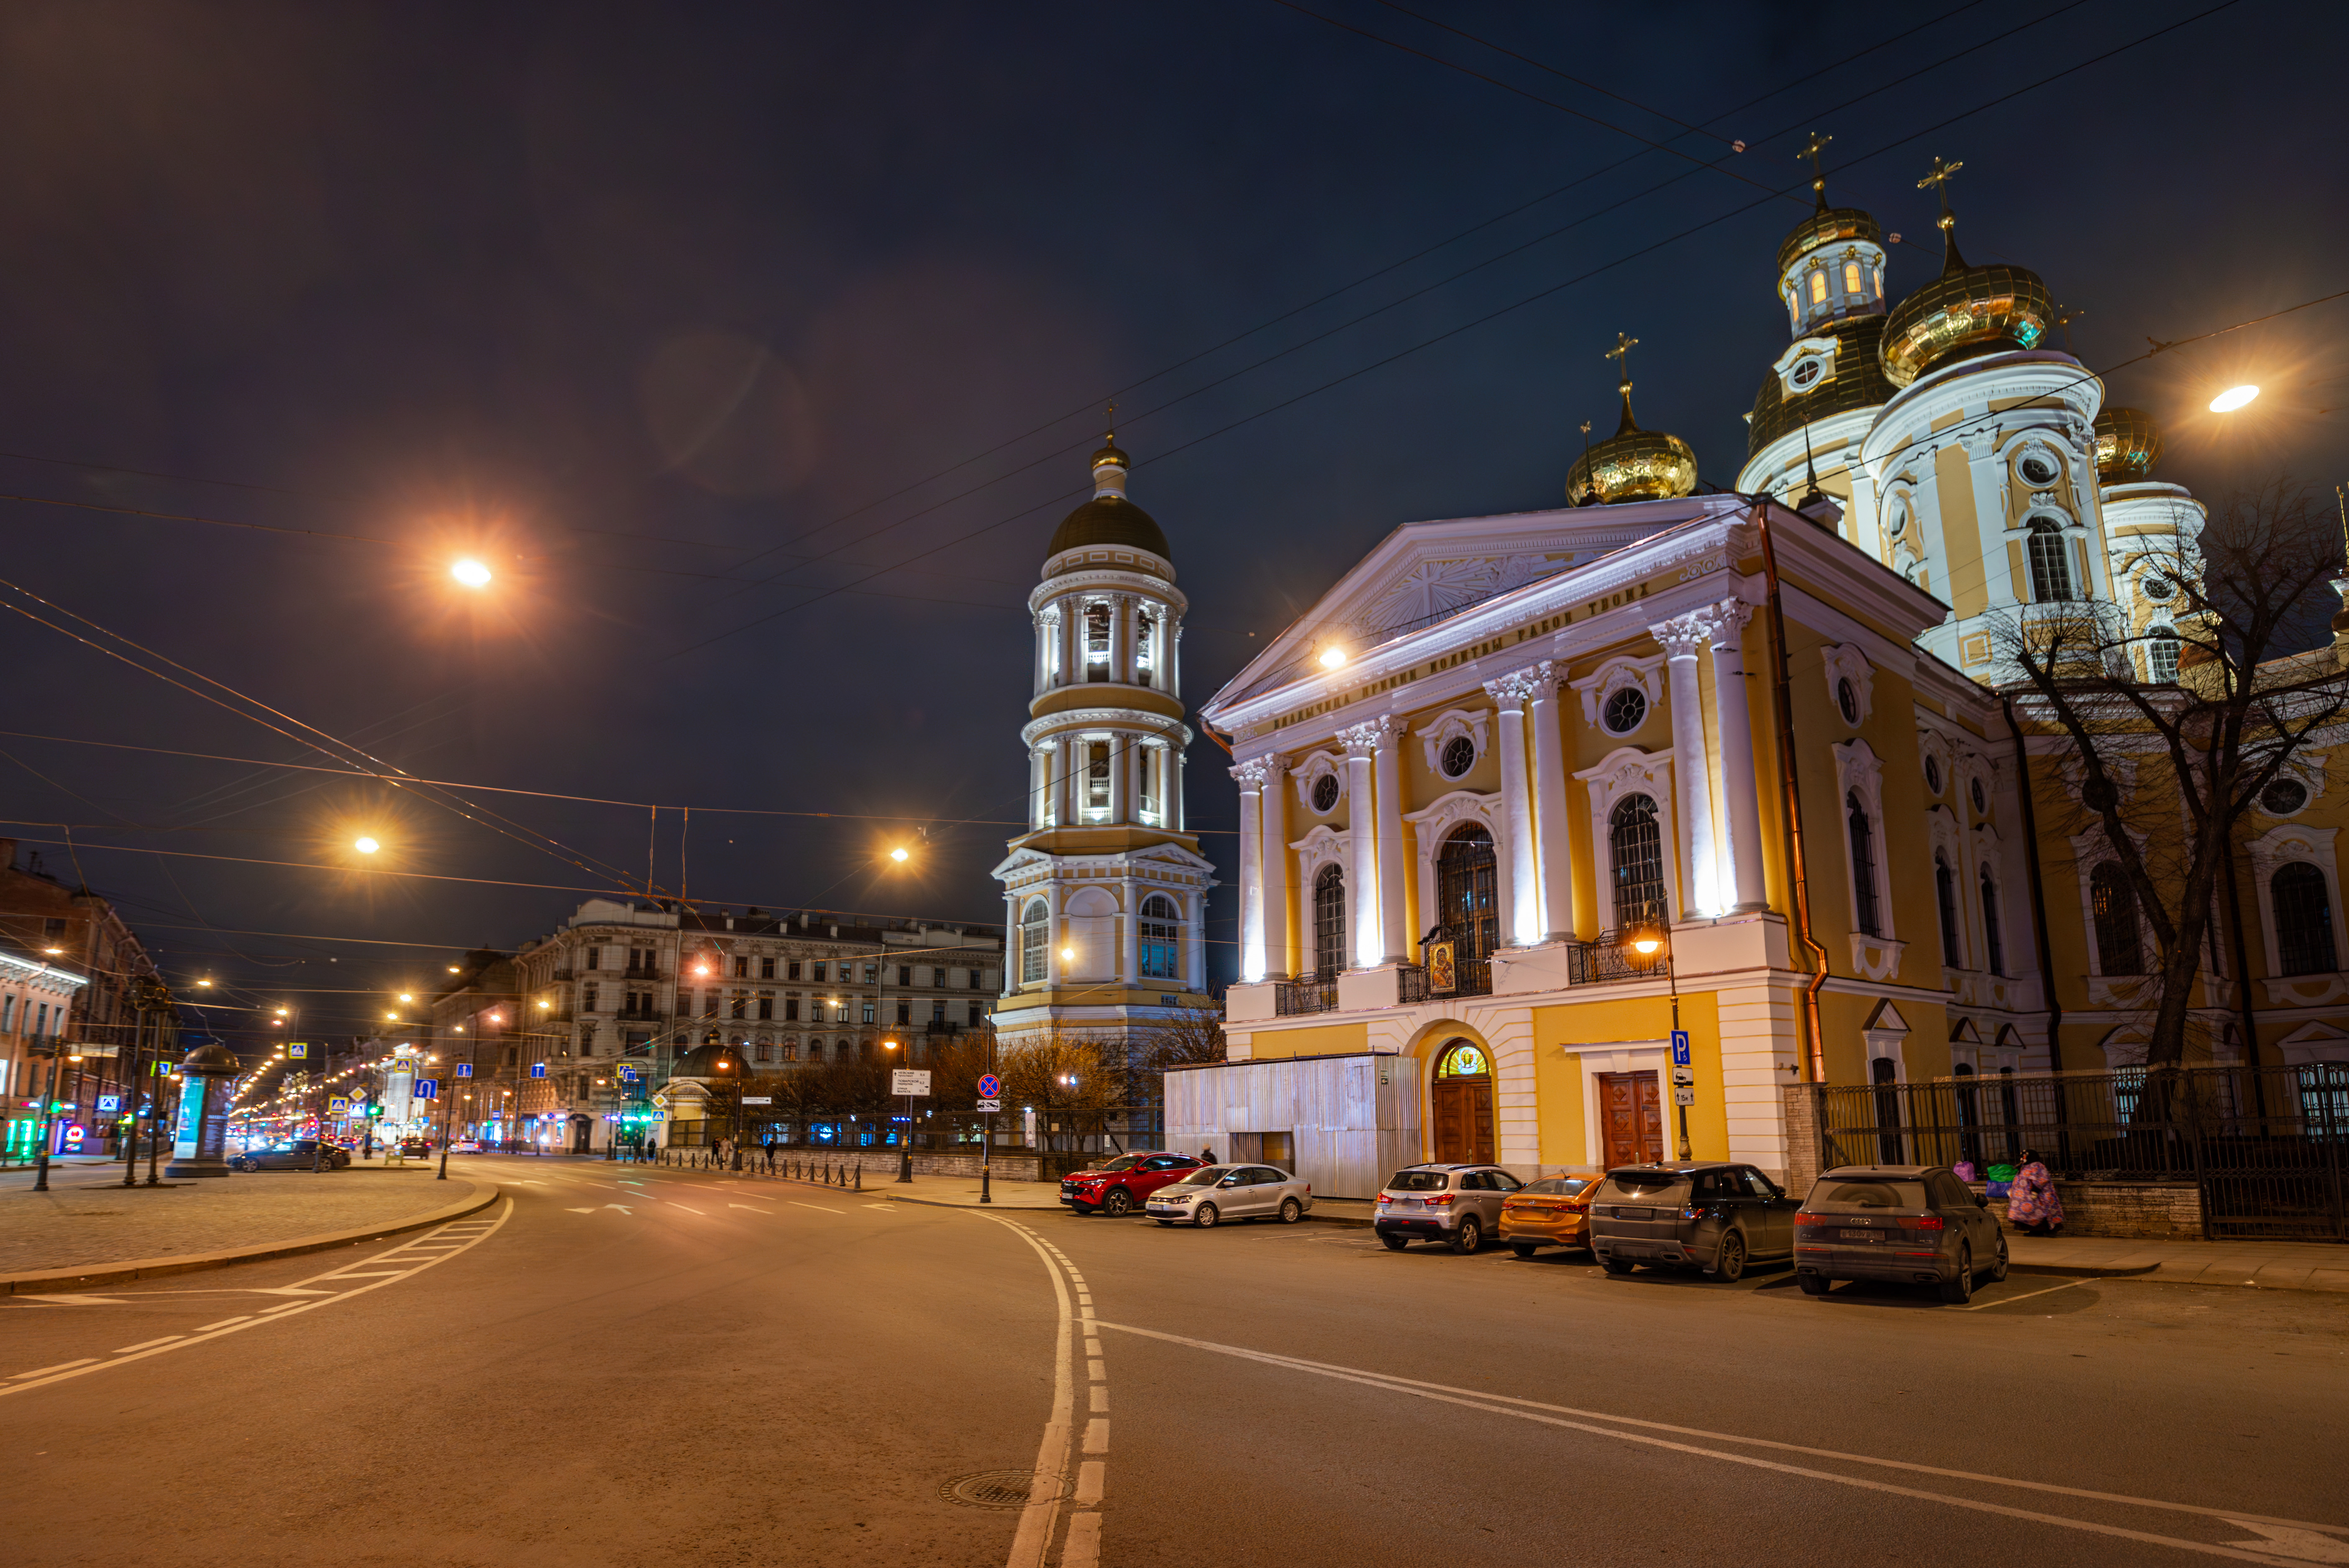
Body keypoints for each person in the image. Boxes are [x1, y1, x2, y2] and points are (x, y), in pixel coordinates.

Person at [2006, 1148, 2065, 1236]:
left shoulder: (2038, 1166)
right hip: (2025, 1197)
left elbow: (2042, 1179)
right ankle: (2034, 1230)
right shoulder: (2025, 1166)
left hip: (2037, 1197)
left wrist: (2035, 1191)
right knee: (2030, 1212)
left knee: (2040, 1212)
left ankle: (2045, 1230)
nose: (2022, 1159)